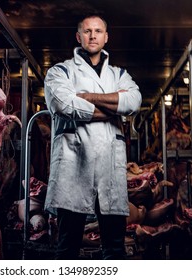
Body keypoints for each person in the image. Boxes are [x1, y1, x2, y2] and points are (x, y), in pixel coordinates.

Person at [44, 12, 142, 260]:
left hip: (110, 167)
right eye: (87, 31)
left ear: (106, 37)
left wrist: (88, 97)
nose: (92, 35)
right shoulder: (60, 72)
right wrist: (112, 109)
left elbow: (133, 101)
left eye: (98, 31)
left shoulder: (120, 74)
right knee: (67, 246)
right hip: (74, 167)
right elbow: (63, 106)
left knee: (115, 247)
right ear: (79, 37)